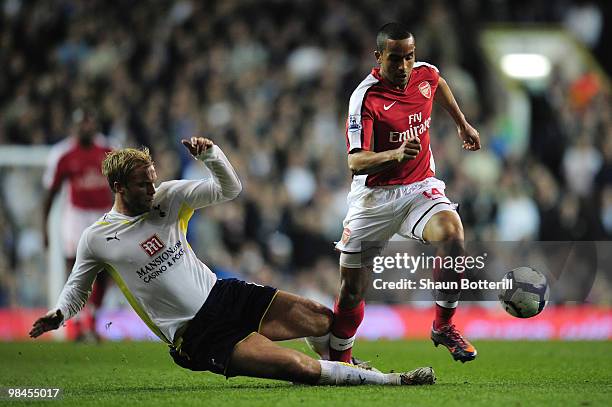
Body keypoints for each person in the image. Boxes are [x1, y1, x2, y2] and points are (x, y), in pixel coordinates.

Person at [30, 137, 435, 386]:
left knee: (321, 319)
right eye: (143, 183)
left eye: (153, 176)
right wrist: (59, 313)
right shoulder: (98, 238)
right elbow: (77, 286)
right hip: (197, 335)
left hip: (223, 294)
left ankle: (345, 364)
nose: (153, 186)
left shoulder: (168, 197)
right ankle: (389, 380)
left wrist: (213, 156)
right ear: (118, 187)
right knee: (301, 370)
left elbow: (230, 188)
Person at [310, 22, 481, 364]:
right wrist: (394, 154)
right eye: (395, 59)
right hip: (374, 199)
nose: (403, 67)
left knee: (453, 234)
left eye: (409, 57)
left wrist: (462, 123)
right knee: (352, 290)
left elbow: (439, 85)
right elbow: (355, 162)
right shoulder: (366, 97)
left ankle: (443, 325)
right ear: (378, 57)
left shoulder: (424, 75)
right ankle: (340, 358)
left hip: (419, 189)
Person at [42, 107, 114, 341]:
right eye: (82, 123)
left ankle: (92, 320)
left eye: (89, 122)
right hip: (76, 215)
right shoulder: (64, 155)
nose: (86, 127)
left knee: (103, 271)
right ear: (74, 127)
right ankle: (78, 323)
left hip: (103, 215)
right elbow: (51, 194)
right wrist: (45, 227)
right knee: (75, 270)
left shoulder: (109, 151)